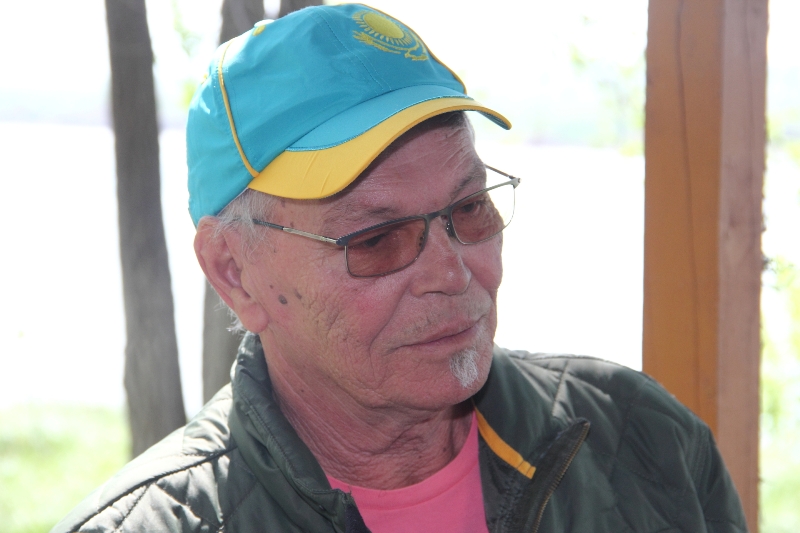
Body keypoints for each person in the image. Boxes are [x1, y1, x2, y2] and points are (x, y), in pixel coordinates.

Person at [53, 4, 748, 532]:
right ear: (234, 272)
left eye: (470, 208)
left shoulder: (646, 442)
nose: (453, 272)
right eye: (378, 239)